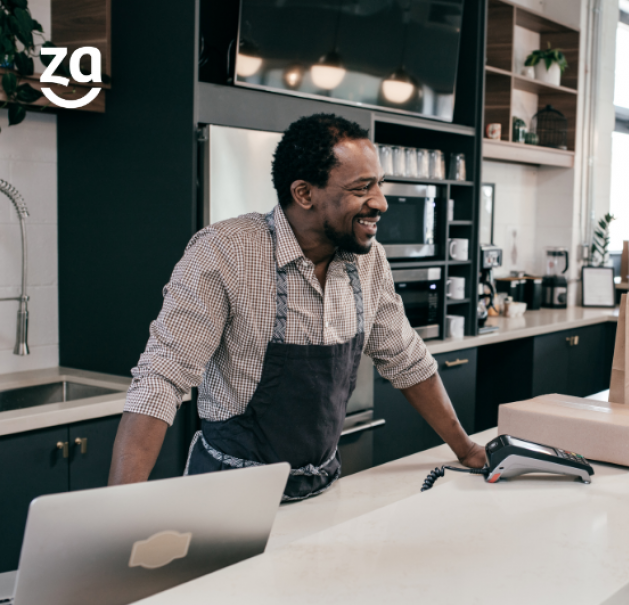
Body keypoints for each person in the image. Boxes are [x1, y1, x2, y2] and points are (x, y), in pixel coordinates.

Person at [109, 113, 486, 501]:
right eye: (361, 188)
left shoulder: (369, 261)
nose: (381, 203)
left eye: (380, 184)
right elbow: (161, 378)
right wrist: (117, 513)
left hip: (322, 488)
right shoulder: (226, 252)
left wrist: (468, 450)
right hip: (227, 495)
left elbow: (408, 361)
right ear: (304, 193)